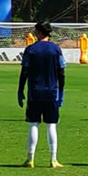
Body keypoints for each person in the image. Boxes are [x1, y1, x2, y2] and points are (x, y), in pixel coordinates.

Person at [18, 21, 66, 168]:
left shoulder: (30, 50)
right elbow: (61, 72)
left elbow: (24, 71)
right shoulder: (56, 50)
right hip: (51, 92)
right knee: (51, 125)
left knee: (33, 124)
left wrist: (20, 90)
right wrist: (61, 91)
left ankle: (30, 159)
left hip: (34, 92)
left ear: (39, 32)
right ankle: (53, 159)